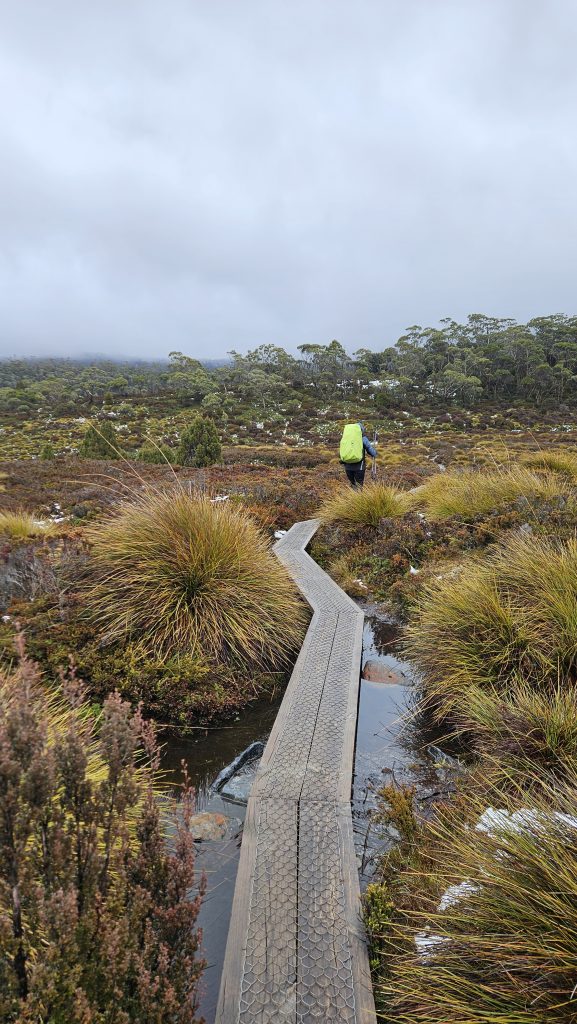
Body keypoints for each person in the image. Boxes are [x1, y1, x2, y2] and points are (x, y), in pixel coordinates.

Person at [341, 422, 377, 488]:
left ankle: (351, 497)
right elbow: (371, 451)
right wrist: (375, 453)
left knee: (352, 483)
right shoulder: (363, 438)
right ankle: (358, 498)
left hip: (347, 467)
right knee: (359, 485)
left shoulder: (346, 438)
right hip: (359, 467)